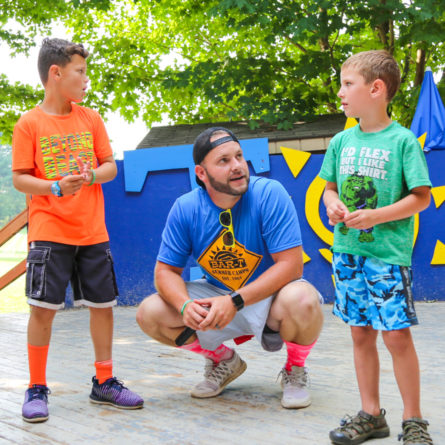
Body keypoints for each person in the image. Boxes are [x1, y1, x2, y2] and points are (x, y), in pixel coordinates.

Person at [136, 126, 324, 408]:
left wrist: (234, 301)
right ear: (201, 173)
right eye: (223, 161)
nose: (237, 166)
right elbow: (164, 273)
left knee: (303, 299)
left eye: (239, 156)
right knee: (149, 313)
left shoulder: (269, 193)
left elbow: (292, 266)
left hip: (268, 299)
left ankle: (294, 370)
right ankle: (223, 360)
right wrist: (186, 306)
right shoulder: (185, 208)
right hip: (217, 296)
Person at [12, 38, 143, 423]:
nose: (86, 79)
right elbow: (20, 178)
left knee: (102, 307)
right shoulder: (29, 123)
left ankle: (104, 381)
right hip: (49, 231)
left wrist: (89, 177)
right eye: (80, 71)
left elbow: (109, 167)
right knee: (43, 310)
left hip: (92, 232)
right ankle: (36, 387)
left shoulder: (91, 119)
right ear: (56, 73)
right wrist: (53, 186)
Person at [319, 50, 433, 445]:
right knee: (360, 333)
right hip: (348, 255)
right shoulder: (340, 141)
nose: (340, 93)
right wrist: (331, 204)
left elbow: (421, 198)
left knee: (396, 336)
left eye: (347, 84)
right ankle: (370, 414)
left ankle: (413, 420)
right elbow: (328, 189)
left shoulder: (402, 141)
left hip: (387, 256)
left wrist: (377, 215)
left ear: (376, 88)